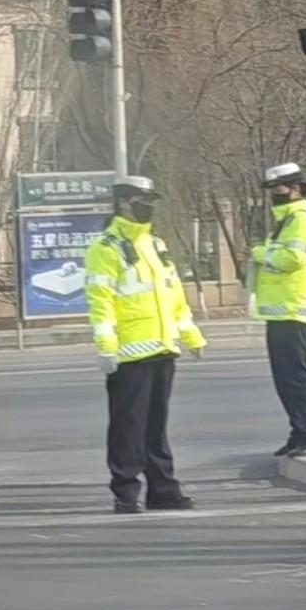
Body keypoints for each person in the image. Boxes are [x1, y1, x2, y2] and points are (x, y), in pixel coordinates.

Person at [85, 176, 206, 514]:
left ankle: (163, 489)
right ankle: (126, 491)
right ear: (123, 203)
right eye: (142, 201)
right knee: (128, 426)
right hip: (129, 355)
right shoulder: (105, 249)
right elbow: (101, 301)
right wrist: (106, 346)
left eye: (152, 201)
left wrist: (191, 336)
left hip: (163, 348)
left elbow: (174, 296)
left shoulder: (155, 244)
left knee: (156, 426)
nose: (149, 207)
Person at [251, 163, 306, 458]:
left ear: (295, 189)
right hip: (281, 311)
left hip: (293, 308)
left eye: (278, 188)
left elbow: (293, 259)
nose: (274, 194)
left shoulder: (300, 218)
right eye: (271, 189)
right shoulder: (286, 219)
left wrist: (260, 253)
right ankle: (299, 434)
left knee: (296, 378)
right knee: (286, 379)